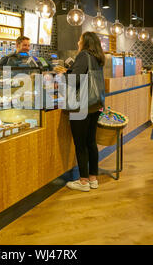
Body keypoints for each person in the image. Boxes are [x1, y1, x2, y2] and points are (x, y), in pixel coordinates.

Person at [53, 32, 106, 192]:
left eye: (80, 39)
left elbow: (76, 80)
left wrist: (61, 77)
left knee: (80, 144)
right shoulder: (97, 58)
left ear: (86, 42)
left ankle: (83, 181)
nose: (78, 42)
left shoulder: (83, 55)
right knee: (91, 142)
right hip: (95, 105)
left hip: (81, 105)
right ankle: (93, 178)